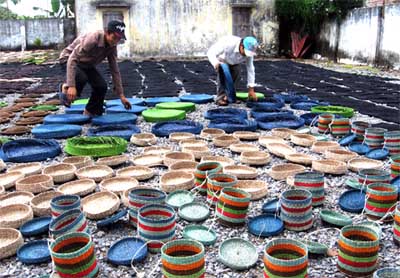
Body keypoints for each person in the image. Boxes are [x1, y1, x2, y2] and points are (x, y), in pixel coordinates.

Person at [58, 20, 132, 116]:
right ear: (107, 33)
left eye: (119, 39)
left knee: (101, 86)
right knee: (81, 78)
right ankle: (65, 87)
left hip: (86, 64)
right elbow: (73, 58)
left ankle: (90, 111)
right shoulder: (93, 39)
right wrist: (71, 85)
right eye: (114, 38)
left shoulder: (112, 46)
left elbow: (114, 70)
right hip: (68, 59)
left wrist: (121, 96)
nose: (115, 42)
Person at [207, 36, 259, 106]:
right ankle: (220, 98)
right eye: (245, 52)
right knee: (223, 75)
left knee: (237, 74)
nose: (245, 55)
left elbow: (250, 69)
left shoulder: (249, 53)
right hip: (223, 60)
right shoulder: (228, 44)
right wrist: (215, 63)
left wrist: (251, 89)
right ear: (241, 46)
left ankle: (230, 96)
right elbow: (210, 52)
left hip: (235, 62)